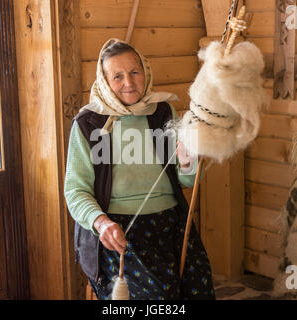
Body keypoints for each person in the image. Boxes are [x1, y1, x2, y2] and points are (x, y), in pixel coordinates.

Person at [64, 38, 215, 300]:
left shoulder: (162, 112)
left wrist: (188, 159)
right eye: (117, 76)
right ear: (104, 80)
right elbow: (75, 191)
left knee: (199, 287)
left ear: (145, 71)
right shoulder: (88, 123)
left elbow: (187, 180)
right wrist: (101, 223)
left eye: (135, 72)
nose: (129, 83)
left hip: (172, 222)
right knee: (160, 295)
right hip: (120, 231)